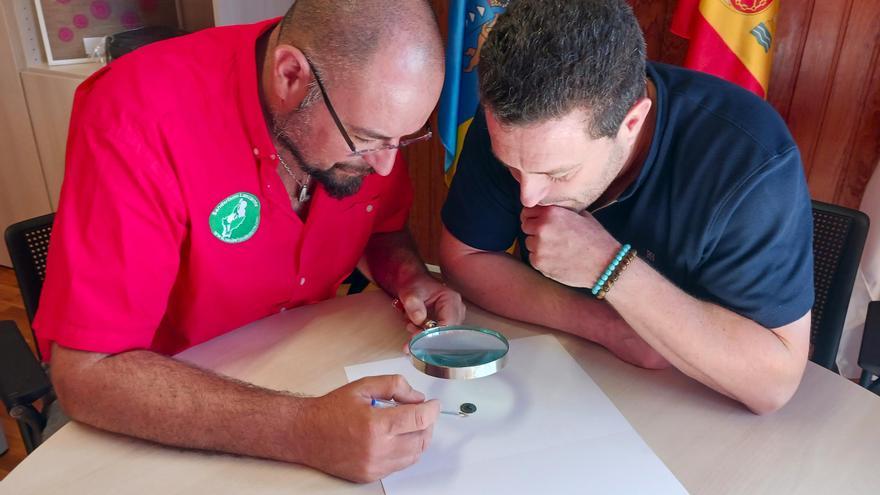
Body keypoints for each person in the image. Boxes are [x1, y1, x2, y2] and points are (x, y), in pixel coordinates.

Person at [35, 0, 464, 483]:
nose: (385, 166)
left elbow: (380, 228)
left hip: (297, 375)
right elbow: (88, 374)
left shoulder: (363, 112)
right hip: (144, 406)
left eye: (404, 140)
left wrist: (410, 278)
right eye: (367, 141)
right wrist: (305, 430)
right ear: (289, 76)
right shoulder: (137, 115)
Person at [440, 0, 813, 415]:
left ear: (631, 123)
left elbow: (774, 382)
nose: (529, 196)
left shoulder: (749, 159)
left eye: (559, 173)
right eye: (512, 168)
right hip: (556, 381)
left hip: (694, 406)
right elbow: (464, 257)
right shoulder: (515, 124)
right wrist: (605, 326)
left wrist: (609, 268)